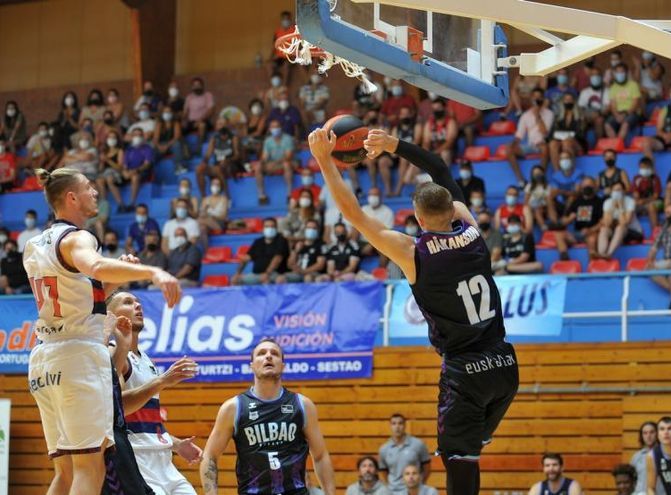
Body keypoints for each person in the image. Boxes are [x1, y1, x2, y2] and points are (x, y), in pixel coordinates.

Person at [312, 127, 519, 495]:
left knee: (459, 460)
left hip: (466, 369)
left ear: (419, 219)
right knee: (468, 450)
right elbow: (439, 167)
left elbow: (355, 215)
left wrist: (325, 162)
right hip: (504, 365)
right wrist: (394, 145)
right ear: (451, 209)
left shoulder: (413, 253)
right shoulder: (472, 229)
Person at [24, 167, 180, 495]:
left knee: (64, 472)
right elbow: (94, 265)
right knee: (89, 468)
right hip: (77, 355)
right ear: (71, 197)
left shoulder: (35, 245)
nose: (95, 193)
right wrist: (153, 271)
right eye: (89, 188)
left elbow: (82, 294)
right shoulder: (79, 237)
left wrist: (120, 273)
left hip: (43, 359)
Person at [200, 338, 336, 495]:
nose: (268, 356)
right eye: (261, 353)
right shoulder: (233, 408)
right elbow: (209, 456)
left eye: (275, 353)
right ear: (252, 365)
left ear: (283, 366)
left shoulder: (303, 405)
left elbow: (320, 456)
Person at [108, 291, 201, 495]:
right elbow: (117, 407)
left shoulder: (146, 360)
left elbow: (146, 421)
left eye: (138, 302)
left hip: (164, 462)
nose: (138, 306)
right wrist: (162, 381)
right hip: (137, 459)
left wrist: (175, 444)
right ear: (110, 315)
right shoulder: (113, 351)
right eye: (128, 302)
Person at [377, 414, 432, 494]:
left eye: (400, 423)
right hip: (393, 491)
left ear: (405, 425)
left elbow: (427, 467)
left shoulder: (418, 444)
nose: (397, 427)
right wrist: (390, 485)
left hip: (413, 490)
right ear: (390, 426)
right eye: (394, 423)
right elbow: (383, 471)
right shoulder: (384, 449)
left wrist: (420, 483)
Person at [508, 88, 553, 186]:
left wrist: (537, 115)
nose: (536, 99)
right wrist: (512, 145)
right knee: (509, 150)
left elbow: (545, 133)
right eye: (534, 97)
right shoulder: (525, 115)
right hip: (530, 146)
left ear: (543, 99)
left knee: (545, 148)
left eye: (539, 97)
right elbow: (519, 135)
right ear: (531, 99)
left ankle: (540, 179)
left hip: (543, 144)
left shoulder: (549, 113)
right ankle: (521, 181)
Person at [554, 177, 604, 259]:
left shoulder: (600, 202)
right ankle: (564, 258)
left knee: (592, 239)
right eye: (584, 185)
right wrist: (570, 219)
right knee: (559, 235)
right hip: (577, 233)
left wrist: (590, 230)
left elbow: (602, 222)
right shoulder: (576, 201)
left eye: (589, 185)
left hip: (591, 232)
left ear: (594, 187)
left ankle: (593, 264)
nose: (587, 187)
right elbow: (564, 221)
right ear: (581, 188)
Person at [232, 218, 290, 285]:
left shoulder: (281, 240)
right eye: (267, 227)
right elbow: (246, 258)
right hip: (256, 274)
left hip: (274, 274)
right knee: (236, 280)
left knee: (269, 280)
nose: (270, 229)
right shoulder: (258, 242)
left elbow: (277, 258)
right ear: (263, 229)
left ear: (276, 228)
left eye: (272, 226)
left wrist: (267, 273)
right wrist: (237, 273)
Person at [254, 119, 296, 205]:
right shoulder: (268, 141)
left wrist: (274, 163)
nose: (275, 128)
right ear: (269, 129)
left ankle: (289, 194)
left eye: (277, 126)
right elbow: (265, 157)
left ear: (281, 128)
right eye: (273, 127)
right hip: (273, 164)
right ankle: (261, 195)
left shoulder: (287, 138)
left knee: (286, 164)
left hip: (287, 162)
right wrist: (261, 162)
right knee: (258, 167)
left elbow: (288, 157)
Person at [597, 182, 643, 259]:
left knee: (620, 228)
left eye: (619, 190)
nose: (616, 192)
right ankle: (601, 254)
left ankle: (609, 254)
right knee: (604, 229)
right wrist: (612, 208)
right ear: (611, 191)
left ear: (624, 191)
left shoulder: (630, 201)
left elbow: (625, 222)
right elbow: (607, 223)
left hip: (633, 232)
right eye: (614, 190)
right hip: (616, 232)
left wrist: (621, 207)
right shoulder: (607, 202)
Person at [604, 63, 644, 142]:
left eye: (622, 72)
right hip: (618, 113)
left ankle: (618, 143)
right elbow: (613, 105)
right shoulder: (613, 87)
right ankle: (615, 144)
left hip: (632, 113)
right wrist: (617, 115)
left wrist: (625, 114)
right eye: (618, 72)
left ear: (626, 73)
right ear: (615, 74)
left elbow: (635, 104)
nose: (620, 74)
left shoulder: (633, 85)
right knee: (607, 124)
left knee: (625, 124)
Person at [122, 128, 155, 212]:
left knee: (135, 177)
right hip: (129, 172)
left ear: (143, 136)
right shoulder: (128, 150)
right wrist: (125, 172)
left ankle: (132, 203)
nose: (137, 137)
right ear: (132, 137)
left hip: (143, 172)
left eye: (140, 135)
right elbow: (125, 165)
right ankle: (120, 205)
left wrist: (136, 171)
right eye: (135, 135)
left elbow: (147, 164)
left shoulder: (147, 148)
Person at [285, 219, 326, 284]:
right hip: (297, 273)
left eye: (314, 228)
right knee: (281, 279)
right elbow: (289, 265)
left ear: (318, 231)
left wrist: (304, 271)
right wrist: (296, 251)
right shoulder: (298, 244)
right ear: (305, 230)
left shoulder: (321, 245)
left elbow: (320, 265)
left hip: (312, 273)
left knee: (308, 278)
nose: (311, 230)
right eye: (309, 228)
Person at [421, 98, 458, 165]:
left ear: (444, 108)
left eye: (438, 108)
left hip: (449, 151)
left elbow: (450, 141)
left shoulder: (450, 122)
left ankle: (443, 175)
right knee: (414, 161)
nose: (436, 111)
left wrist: (436, 152)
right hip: (432, 151)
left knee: (445, 153)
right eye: (434, 109)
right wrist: (425, 153)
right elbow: (426, 141)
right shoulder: (429, 123)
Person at [631, 421, 664, 495]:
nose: (648, 436)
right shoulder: (636, 457)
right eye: (645, 433)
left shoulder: (664, 454)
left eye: (652, 432)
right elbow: (632, 479)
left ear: (657, 433)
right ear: (641, 436)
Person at [632, 156, 663, 232]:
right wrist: (637, 201)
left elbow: (655, 196)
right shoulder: (637, 179)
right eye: (641, 167)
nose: (643, 169)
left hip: (658, 202)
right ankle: (635, 231)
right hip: (641, 203)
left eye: (646, 167)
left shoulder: (655, 179)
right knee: (629, 206)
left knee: (651, 206)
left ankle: (655, 232)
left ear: (651, 168)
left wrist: (644, 201)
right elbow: (635, 194)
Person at [576, 66, 607, 142]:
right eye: (593, 75)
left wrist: (598, 113)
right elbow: (579, 108)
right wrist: (585, 115)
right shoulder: (585, 92)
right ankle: (582, 144)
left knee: (599, 120)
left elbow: (608, 107)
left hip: (600, 115)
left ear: (601, 77)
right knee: (581, 120)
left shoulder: (606, 91)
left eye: (597, 75)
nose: (595, 77)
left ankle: (600, 143)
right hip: (587, 115)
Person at [153, 104, 186, 175]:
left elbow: (177, 137)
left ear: (172, 113)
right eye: (165, 112)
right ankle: (152, 171)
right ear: (162, 114)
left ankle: (179, 166)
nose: (167, 114)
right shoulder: (159, 124)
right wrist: (159, 146)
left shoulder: (176, 123)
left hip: (171, 144)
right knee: (152, 148)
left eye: (169, 112)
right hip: (161, 145)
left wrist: (167, 146)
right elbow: (155, 138)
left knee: (177, 144)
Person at [182, 77, 215, 148]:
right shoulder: (189, 97)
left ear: (202, 86)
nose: (196, 86)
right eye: (194, 85)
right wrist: (184, 120)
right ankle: (185, 149)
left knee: (201, 125)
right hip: (191, 122)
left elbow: (211, 110)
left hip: (204, 121)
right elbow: (185, 111)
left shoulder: (208, 95)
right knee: (179, 128)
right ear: (192, 87)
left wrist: (201, 120)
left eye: (198, 85)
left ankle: (199, 148)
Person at [197, 178, 229, 248]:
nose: (215, 186)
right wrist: (205, 211)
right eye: (213, 184)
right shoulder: (205, 199)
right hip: (206, 223)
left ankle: (194, 226)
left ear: (220, 187)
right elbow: (201, 214)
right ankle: (206, 251)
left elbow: (224, 217)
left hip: (219, 223)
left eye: (217, 184)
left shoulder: (224, 199)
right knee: (202, 228)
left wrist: (211, 216)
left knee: (200, 221)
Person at [525, 165, 553, 230]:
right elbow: (526, 201)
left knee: (538, 210)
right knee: (534, 210)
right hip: (531, 207)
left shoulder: (547, 187)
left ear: (543, 174)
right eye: (535, 174)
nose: (537, 175)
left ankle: (546, 227)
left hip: (542, 206)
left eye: (539, 173)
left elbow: (548, 200)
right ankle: (544, 228)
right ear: (532, 175)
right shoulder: (529, 186)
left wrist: (542, 206)